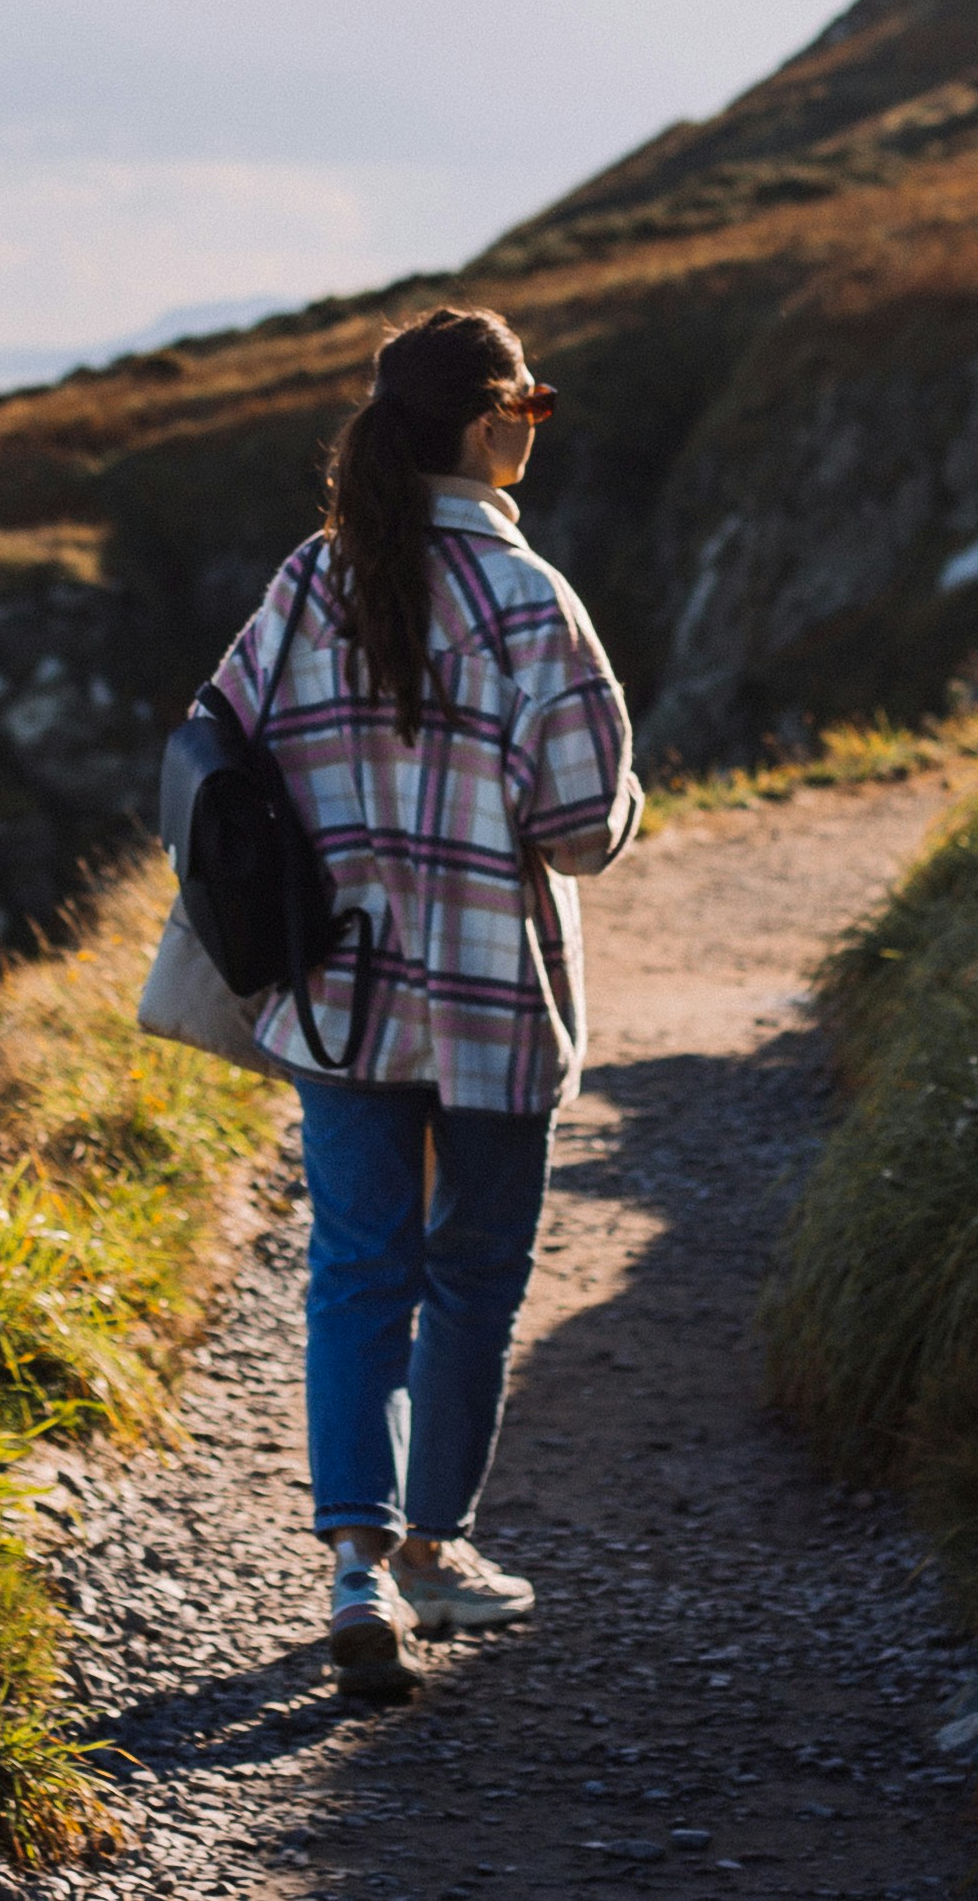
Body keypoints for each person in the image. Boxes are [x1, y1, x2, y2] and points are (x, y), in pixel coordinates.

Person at [195, 303, 640, 1700]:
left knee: (357, 1271)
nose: (534, 424)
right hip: (493, 997)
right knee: (475, 1279)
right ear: (490, 416)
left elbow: (217, 750)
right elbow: (579, 823)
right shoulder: (528, 601)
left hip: (339, 992)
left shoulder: (310, 582)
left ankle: (352, 1570)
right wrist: (630, 799)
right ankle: (435, 1557)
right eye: (532, 402)